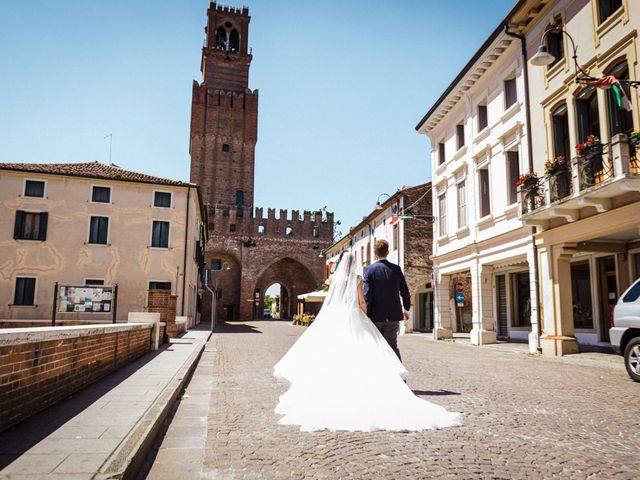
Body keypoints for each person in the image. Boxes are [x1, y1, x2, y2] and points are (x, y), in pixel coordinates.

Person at [273, 252, 461, 432]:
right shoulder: (357, 279)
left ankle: (336, 387)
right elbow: (362, 301)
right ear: (354, 263)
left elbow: (330, 303)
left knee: (337, 354)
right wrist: (364, 315)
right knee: (362, 352)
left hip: (335, 318)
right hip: (354, 316)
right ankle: (377, 381)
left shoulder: (334, 280)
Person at [363, 239, 410, 361]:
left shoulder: (369, 270)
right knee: (392, 346)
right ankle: (398, 375)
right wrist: (406, 309)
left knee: (376, 346)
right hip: (393, 315)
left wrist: (365, 314)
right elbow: (404, 291)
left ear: (375, 253)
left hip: (375, 316)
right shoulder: (396, 269)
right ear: (387, 252)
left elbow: (367, 295)